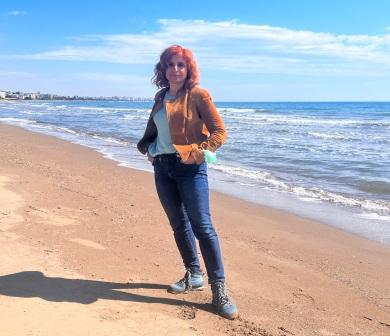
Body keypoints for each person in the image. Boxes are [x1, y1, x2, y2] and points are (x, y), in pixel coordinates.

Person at [137, 45, 238, 320]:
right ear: (163, 69)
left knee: (202, 226)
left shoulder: (198, 95)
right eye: (170, 64)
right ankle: (194, 274)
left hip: (190, 169)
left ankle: (219, 288)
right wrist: (152, 149)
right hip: (162, 168)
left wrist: (199, 153)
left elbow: (220, 132)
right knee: (178, 224)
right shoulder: (160, 96)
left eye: (181, 65)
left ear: (189, 69)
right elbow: (159, 129)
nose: (175, 69)